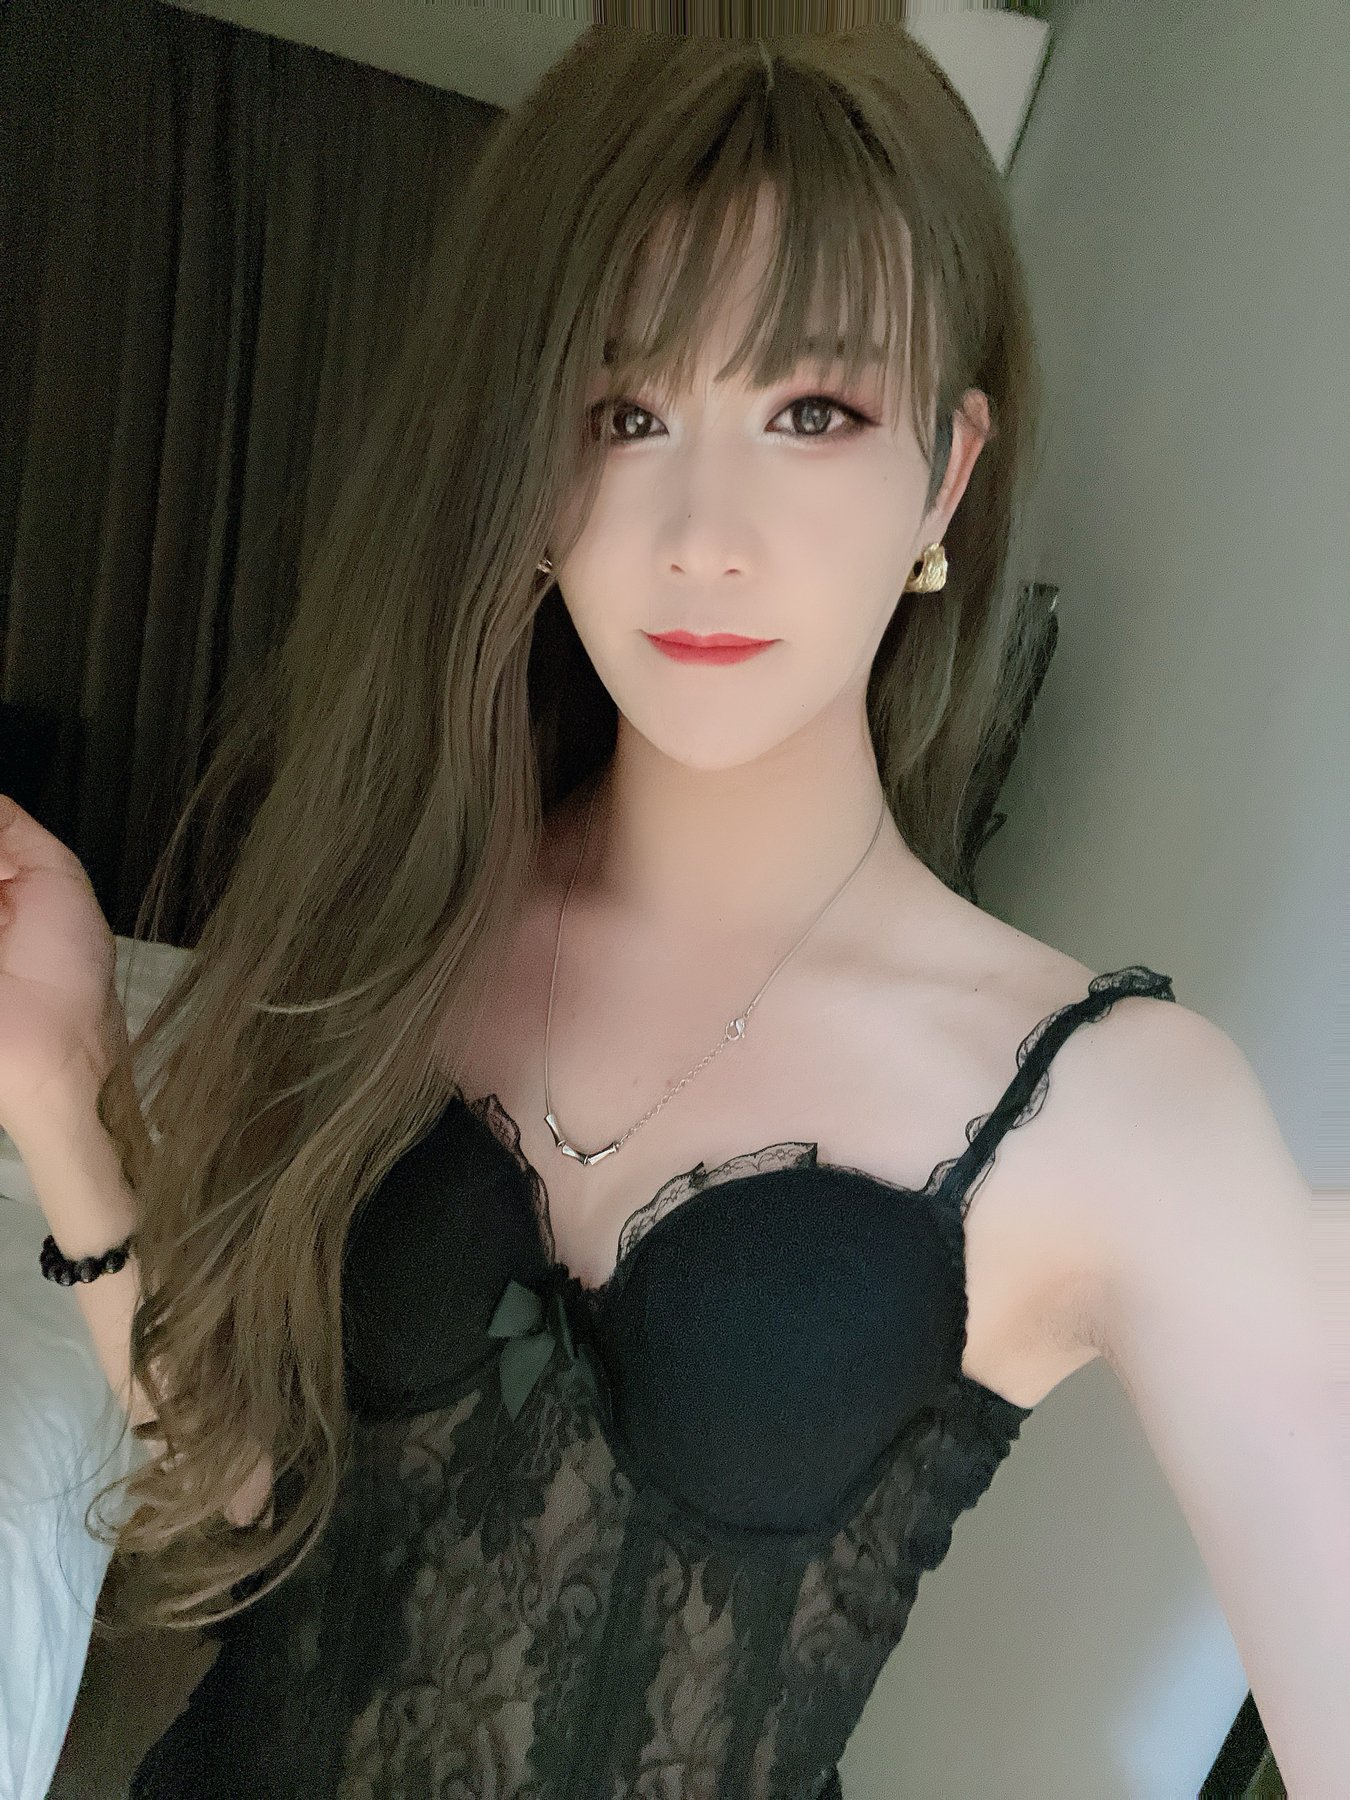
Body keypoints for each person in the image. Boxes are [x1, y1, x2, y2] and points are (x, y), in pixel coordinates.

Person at [2, 25, 1339, 1800]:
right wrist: (61, 1084)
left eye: (810, 413)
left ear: (943, 473)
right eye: (624, 414)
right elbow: (243, 1489)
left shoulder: (1115, 1114)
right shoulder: (393, 924)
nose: (704, 530)